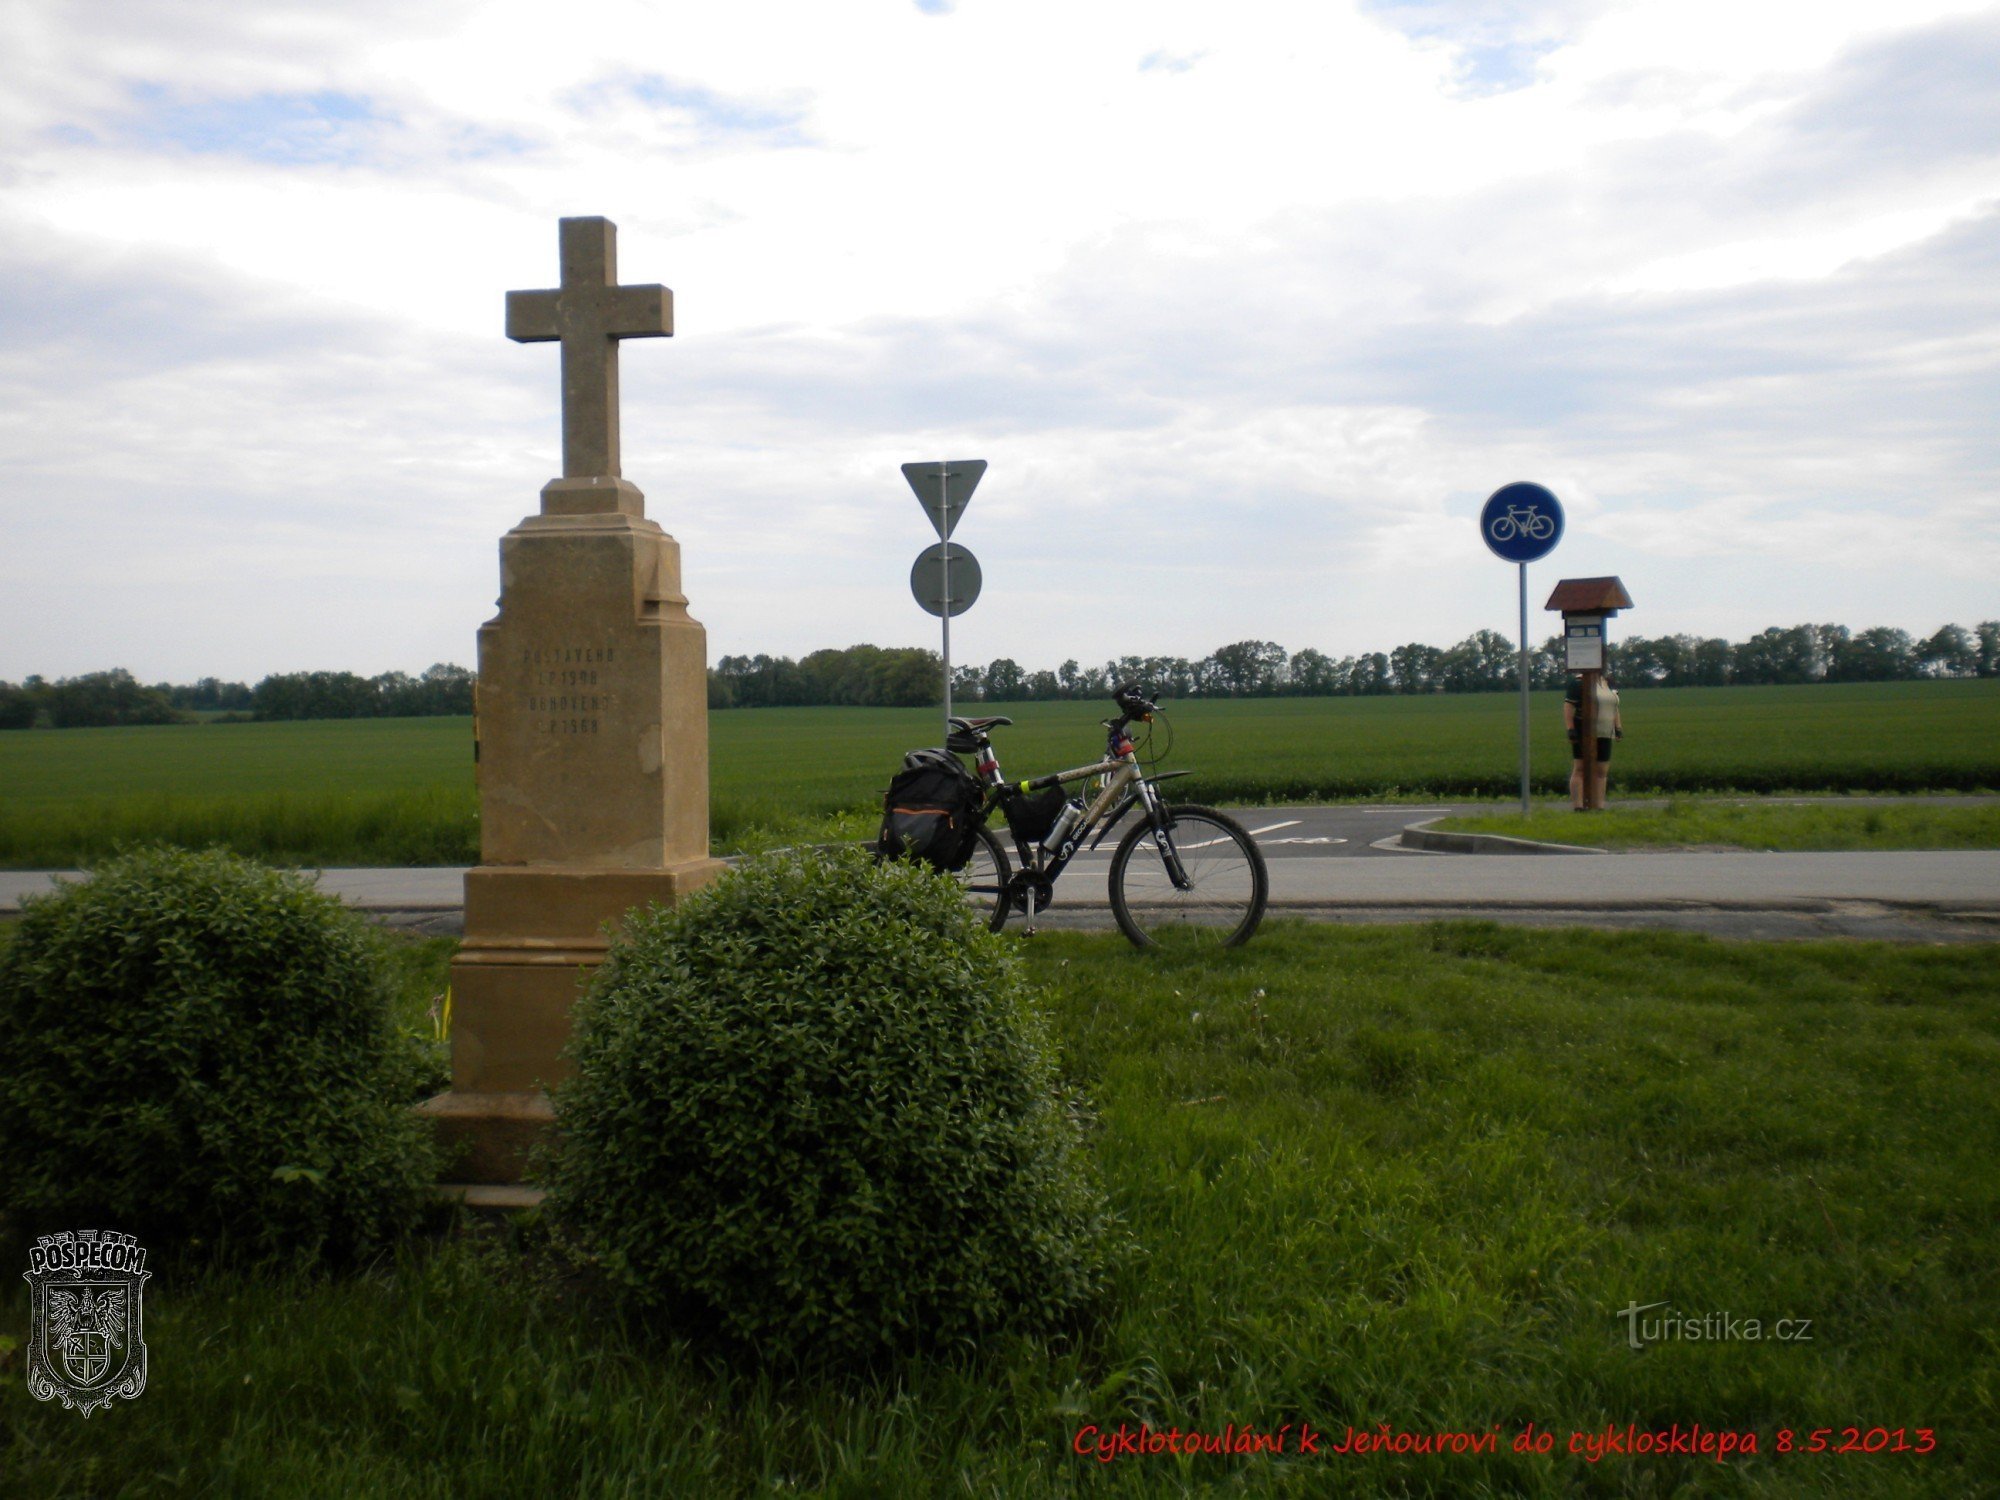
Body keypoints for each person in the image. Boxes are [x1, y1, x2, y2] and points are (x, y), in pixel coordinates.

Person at [1563, 672, 1622, 810]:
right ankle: (1579, 806)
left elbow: (1614, 707)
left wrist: (1618, 727)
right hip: (1584, 729)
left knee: (1601, 770)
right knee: (1581, 768)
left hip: (1605, 731)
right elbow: (1568, 706)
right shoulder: (1579, 682)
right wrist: (1570, 729)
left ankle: (1598, 806)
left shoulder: (1608, 682)